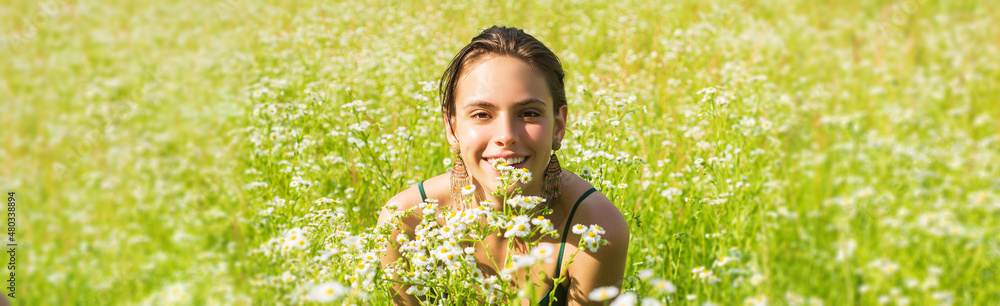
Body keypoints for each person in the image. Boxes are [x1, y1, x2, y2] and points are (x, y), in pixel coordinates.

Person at [377, 25, 629, 305]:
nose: (506, 135)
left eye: (529, 113)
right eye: (482, 114)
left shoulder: (595, 227)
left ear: (558, 126)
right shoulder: (405, 221)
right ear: (452, 127)